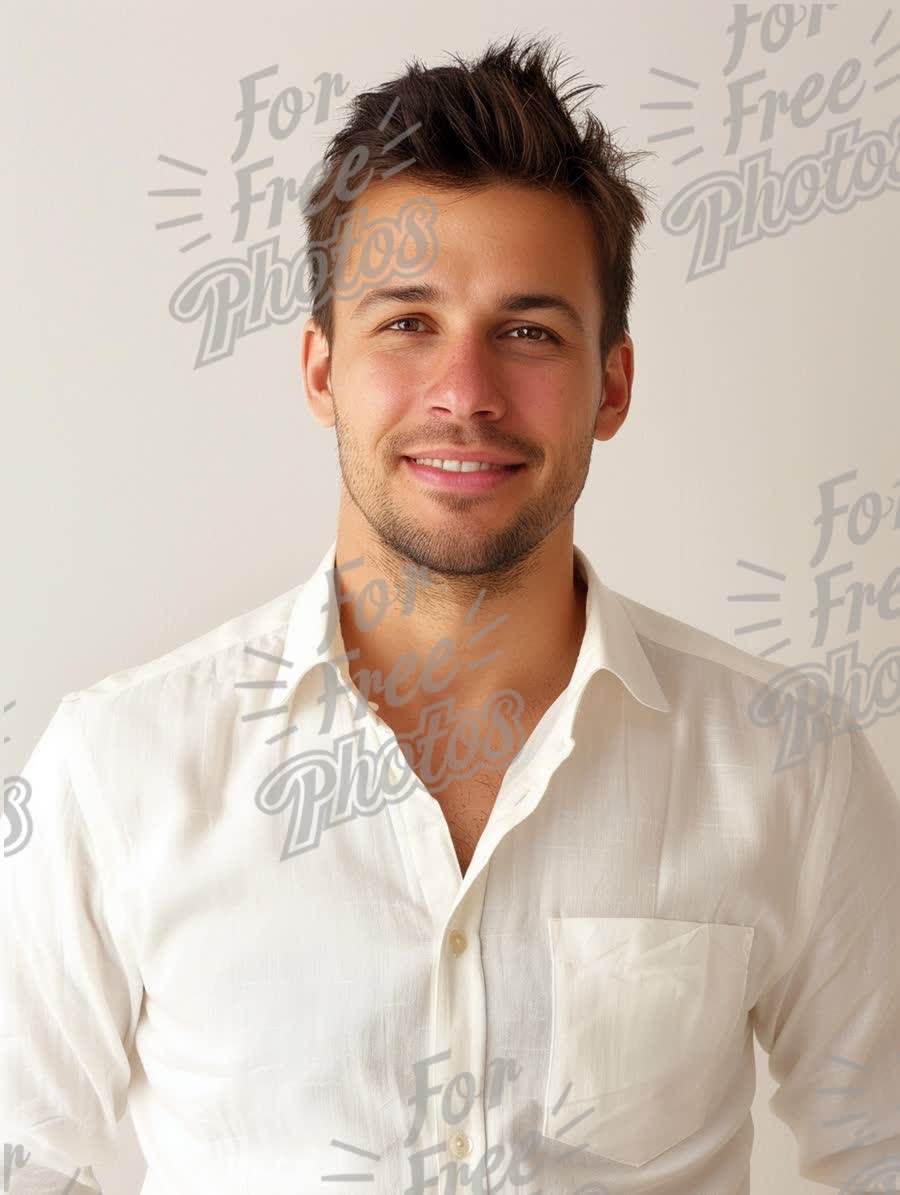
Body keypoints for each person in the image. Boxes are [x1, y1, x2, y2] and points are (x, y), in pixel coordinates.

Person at [2, 34, 898, 1195]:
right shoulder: (116, 768)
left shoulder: (791, 764)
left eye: (527, 331)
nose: (465, 393)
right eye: (407, 322)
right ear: (321, 369)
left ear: (610, 385)